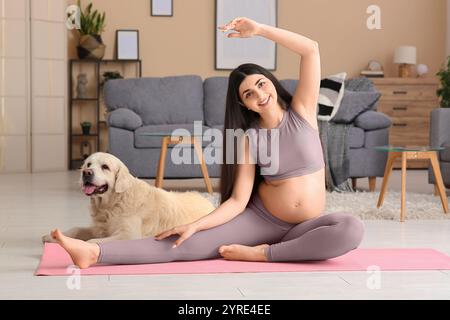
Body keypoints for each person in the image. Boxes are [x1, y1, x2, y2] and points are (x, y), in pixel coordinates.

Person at [50, 17, 364, 269]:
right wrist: (196, 226)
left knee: (351, 229)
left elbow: (311, 49)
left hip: (303, 227)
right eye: (248, 94)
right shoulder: (248, 138)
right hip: (261, 221)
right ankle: (93, 254)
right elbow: (238, 202)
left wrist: (259, 30)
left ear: (270, 80)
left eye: (260, 84)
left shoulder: (303, 112)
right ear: (244, 105)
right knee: (180, 244)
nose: (258, 94)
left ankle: (264, 254)